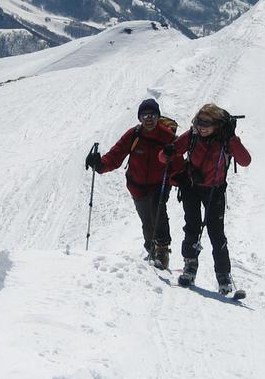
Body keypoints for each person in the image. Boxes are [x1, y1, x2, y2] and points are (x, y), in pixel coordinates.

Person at [161, 103, 251, 294]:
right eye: (199, 121)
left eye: (206, 123)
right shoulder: (192, 136)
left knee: (216, 233)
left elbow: (245, 160)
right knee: (191, 227)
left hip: (214, 191)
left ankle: (223, 276)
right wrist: (168, 152)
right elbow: (164, 156)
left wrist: (233, 138)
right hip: (191, 187)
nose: (201, 126)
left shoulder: (226, 140)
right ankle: (190, 267)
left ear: (217, 124)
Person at [85, 98, 181, 269]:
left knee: (158, 212)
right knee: (146, 219)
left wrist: (181, 178)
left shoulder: (168, 136)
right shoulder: (134, 134)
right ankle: (151, 247)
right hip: (136, 186)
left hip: (160, 184)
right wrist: (100, 165)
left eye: (152, 115)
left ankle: (162, 250)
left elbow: (178, 161)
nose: (148, 119)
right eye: (144, 115)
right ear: (139, 118)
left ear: (158, 116)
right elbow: (116, 154)